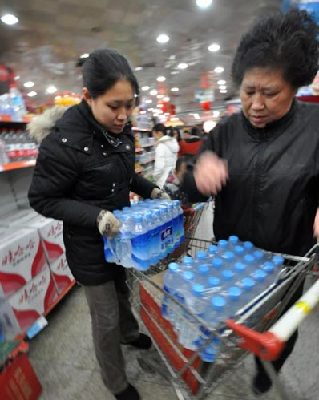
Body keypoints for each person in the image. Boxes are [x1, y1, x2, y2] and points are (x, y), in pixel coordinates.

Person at [181, 9, 319, 395]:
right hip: (230, 262)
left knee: (277, 333)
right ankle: (206, 369)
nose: (256, 104)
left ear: (294, 87)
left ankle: (265, 372)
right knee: (219, 324)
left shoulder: (315, 128)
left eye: (270, 93)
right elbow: (188, 191)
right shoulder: (225, 131)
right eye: (248, 91)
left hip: (286, 264)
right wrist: (197, 176)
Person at [28, 48, 169, 400]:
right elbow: (42, 199)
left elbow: (124, 176)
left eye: (130, 104)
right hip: (90, 246)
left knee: (124, 293)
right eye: (114, 106)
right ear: (88, 96)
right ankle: (116, 382)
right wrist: (96, 218)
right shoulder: (63, 143)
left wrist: (149, 189)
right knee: (104, 317)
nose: (124, 115)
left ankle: (129, 332)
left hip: (122, 240)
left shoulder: (121, 132)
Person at [152, 123, 179, 188]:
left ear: (159, 133)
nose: (154, 137)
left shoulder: (161, 146)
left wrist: (155, 177)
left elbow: (159, 167)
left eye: (154, 134)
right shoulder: (172, 143)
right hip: (172, 178)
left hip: (163, 181)